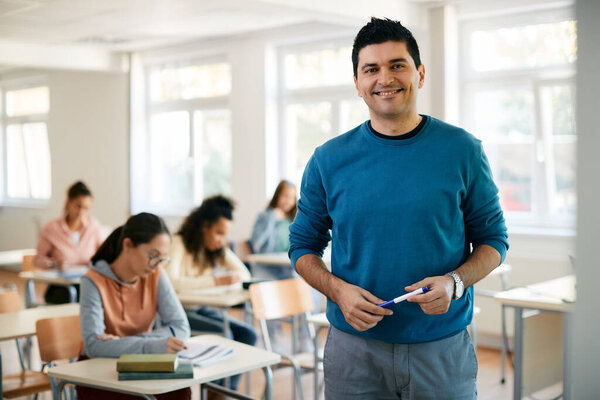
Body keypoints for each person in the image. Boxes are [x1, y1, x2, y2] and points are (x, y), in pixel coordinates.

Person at [289, 17, 509, 399]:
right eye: (371, 69)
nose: (384, 78)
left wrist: (455, 283)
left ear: (419, 74)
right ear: (357, 84)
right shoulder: (328, 160)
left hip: (441, 350)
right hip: (353, 351)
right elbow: (301, 247)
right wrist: (337, 290)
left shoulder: (463, 151)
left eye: (397, 65)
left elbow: (494, 241)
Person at [78, 212, 191, 400]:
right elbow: (94, 346)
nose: (157, 265)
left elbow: (181, 327)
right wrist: (153, 345)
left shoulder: (155, 274)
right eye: (153, 256)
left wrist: (124, 342)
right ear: (128, 245)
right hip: (101, 372)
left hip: (143, 363)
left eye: (163, 258)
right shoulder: (92, 281)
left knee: (180, 390)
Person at [167, 195, 257, 392]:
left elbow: (244, 273)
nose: (221, 240)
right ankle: (214, 392)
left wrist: (198, 282)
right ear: (204, 226)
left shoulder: (216, 249)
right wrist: (214, 280)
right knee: (228, 334)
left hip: (203, 309)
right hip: (181, 314)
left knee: (248, 335)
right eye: (218, 233)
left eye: (225, 234)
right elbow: (172, 283)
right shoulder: (179, 243)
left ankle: (224, 392)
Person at [35, 181, 106, 304]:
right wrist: (54, 264)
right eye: (78, 206)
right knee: (81, 296)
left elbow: (105, 254)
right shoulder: (51, 228)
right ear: (68, 202)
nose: (81, 212)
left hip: (87, 281)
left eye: (86, 208)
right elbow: (38, 260)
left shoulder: (93, 226)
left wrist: (97, 262)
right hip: (60, 287)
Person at [250, 179, 297, 280]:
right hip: (267, 268)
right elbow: (256, 241)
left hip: (288, 268)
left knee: (305, 287)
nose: (288, 201)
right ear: (277, 196)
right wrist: (271, 218)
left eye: (292, 198)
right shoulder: (264, 216)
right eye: (285, 196)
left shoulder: (294, 219)